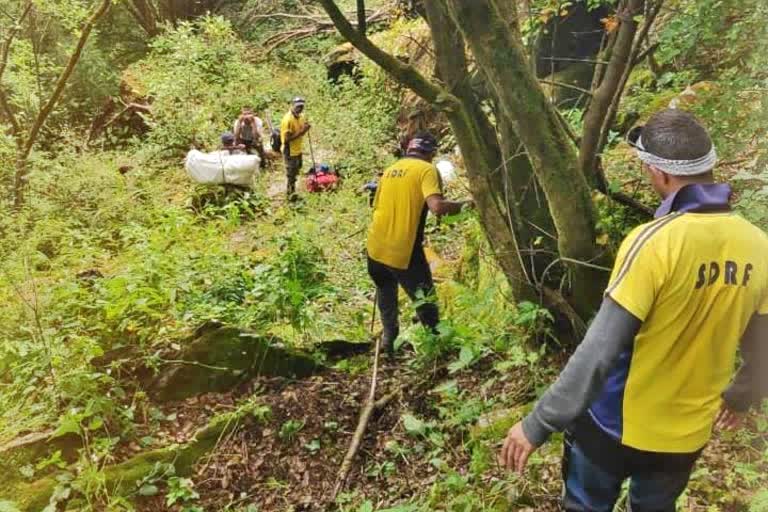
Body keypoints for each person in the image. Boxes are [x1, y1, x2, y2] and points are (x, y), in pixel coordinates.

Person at [499, 109, 768, 512]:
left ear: (660, 175)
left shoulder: (654, 243)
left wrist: (538, 424)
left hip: (613, 428)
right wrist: (742, 395)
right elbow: (763, 346)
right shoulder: (758, 245)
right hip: (685, 438)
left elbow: (599, 351)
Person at [367, 132, 472, 357]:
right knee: (426, 301)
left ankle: (389, 341)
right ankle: (438, 350)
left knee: (386, 289)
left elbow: (375, 206)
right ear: (431, 153)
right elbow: (437, 208)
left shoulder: (389, 170)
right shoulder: (426, 170)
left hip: (375, 248)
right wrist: (471, 204)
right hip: (402, 249)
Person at [280, 97, 311, 200]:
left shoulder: (301, 116)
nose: (300, 108)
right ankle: (290, 195)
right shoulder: (288, 119)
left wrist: (305, 128)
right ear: (292, 105)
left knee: (298, 168)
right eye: (298, 106)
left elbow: (302, 129)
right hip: (289, 149)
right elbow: (287, 139)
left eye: (302, 106)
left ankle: (292, 190)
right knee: (291, 173)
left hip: (298, 148)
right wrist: (302, 131)